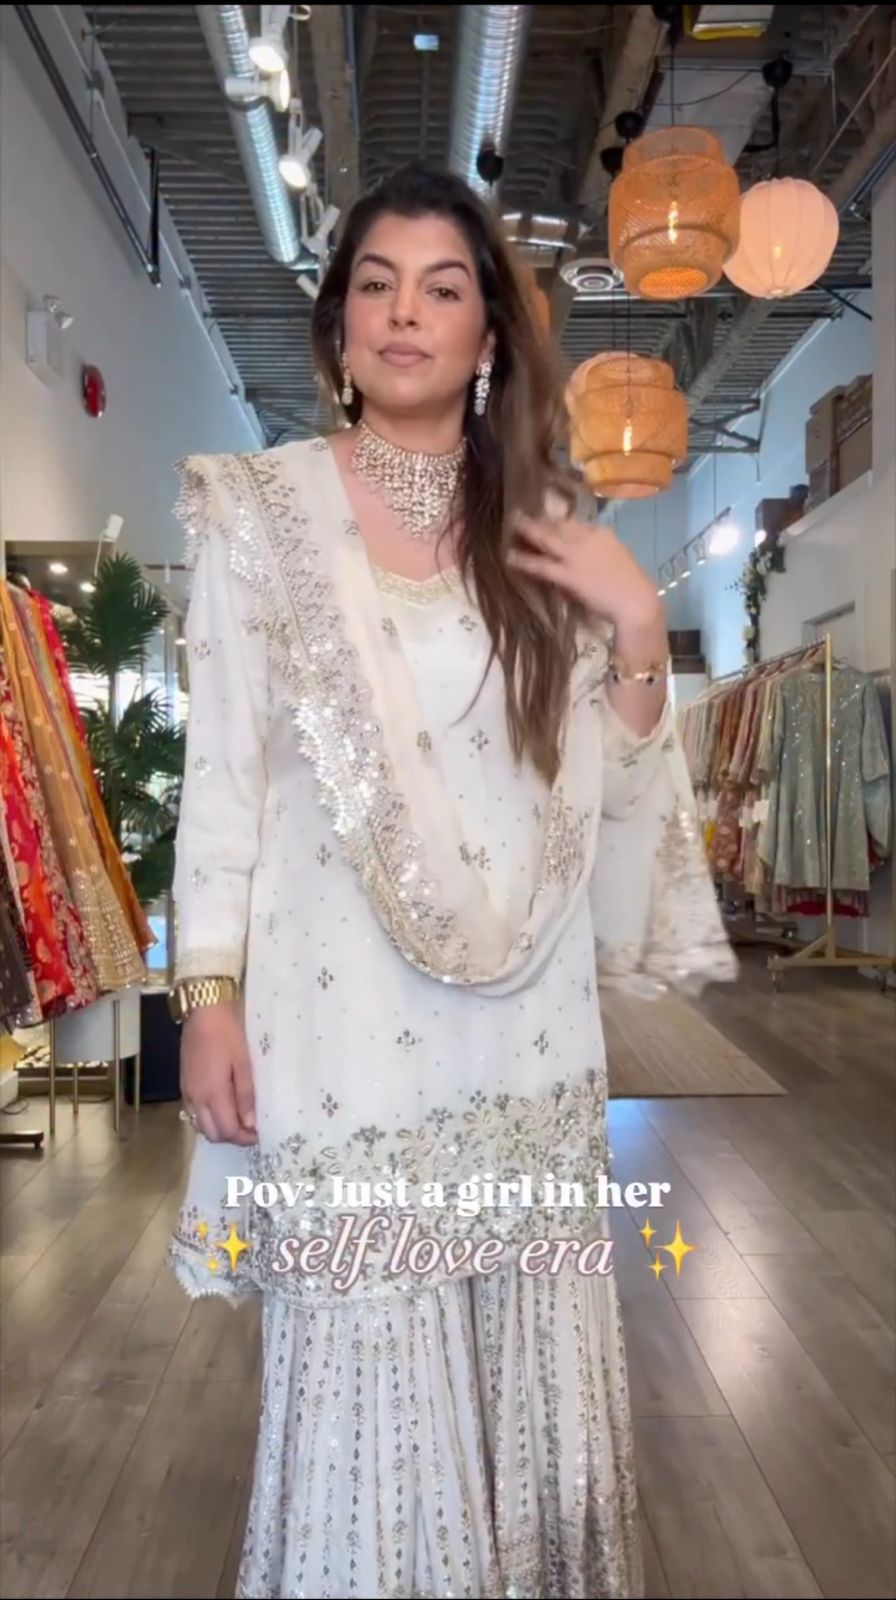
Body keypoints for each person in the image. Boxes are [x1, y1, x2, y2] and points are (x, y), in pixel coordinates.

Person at [166, 162, 736, 1599]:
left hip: (522, 1031)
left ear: (490, 335)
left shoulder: (541, 529)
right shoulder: (259, 513)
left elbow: (601, 804)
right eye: (375, 286)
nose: (405, 314)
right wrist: (209, 993)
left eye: (441, 288)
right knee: (366, 1321)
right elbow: (223, 773)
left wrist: (637, 626)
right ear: (337, 326)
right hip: (341, 1018)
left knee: (520, 1319)